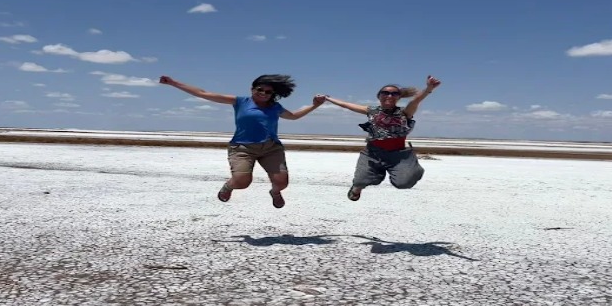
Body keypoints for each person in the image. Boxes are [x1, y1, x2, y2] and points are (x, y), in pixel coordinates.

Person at [159, 74, 326, 208]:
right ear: (252, 89)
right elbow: (203, 93)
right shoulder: (240, 102)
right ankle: (228, 187)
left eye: (268, 92)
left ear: (273, 94)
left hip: (271, 148)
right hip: (242, 147)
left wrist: (315, 105)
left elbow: (294, 116)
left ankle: (275, 192)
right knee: (242, 182)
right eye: (260, 89)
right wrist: (174, 83)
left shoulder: (275, 107)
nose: (263, 94)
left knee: (282, 182)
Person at [324, 75, 441, 201]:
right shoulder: (371, 110)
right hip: (373, 153)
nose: (389, 96)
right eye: (385, 93)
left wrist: (428, 88)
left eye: (394, 93)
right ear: (379, 96)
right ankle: (358, 187)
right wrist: (327, 98)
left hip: (398, 155)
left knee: (404, 183)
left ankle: (407, 168)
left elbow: (415, 101)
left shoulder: (405, 113)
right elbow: (347, 105)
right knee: (361, 180)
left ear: (398, 97)